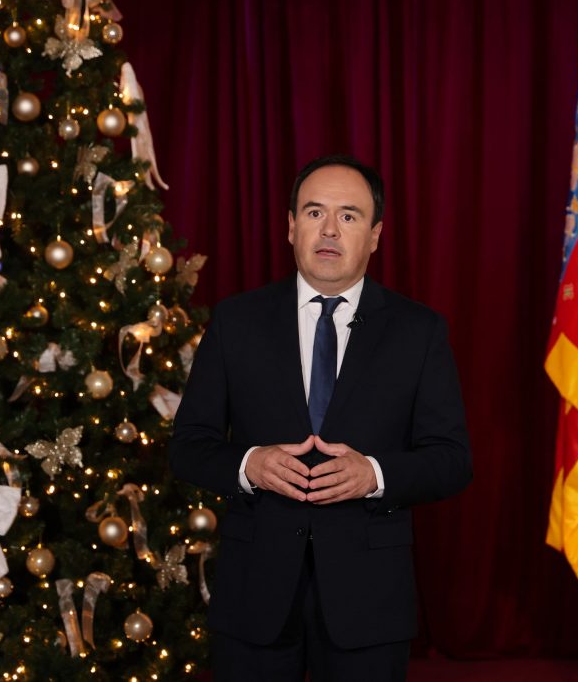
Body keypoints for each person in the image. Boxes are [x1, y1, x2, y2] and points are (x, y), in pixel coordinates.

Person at [169, 154, 472, 681]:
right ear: (291, 227)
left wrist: (373, 474)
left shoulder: (418, 331)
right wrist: (249, 464)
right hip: (254, 592)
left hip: (369, 599)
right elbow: (188, 445)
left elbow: (452, 460)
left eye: (349, 216)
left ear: (375, 235)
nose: (329, 229)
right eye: (314, 213)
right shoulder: (237, 321)